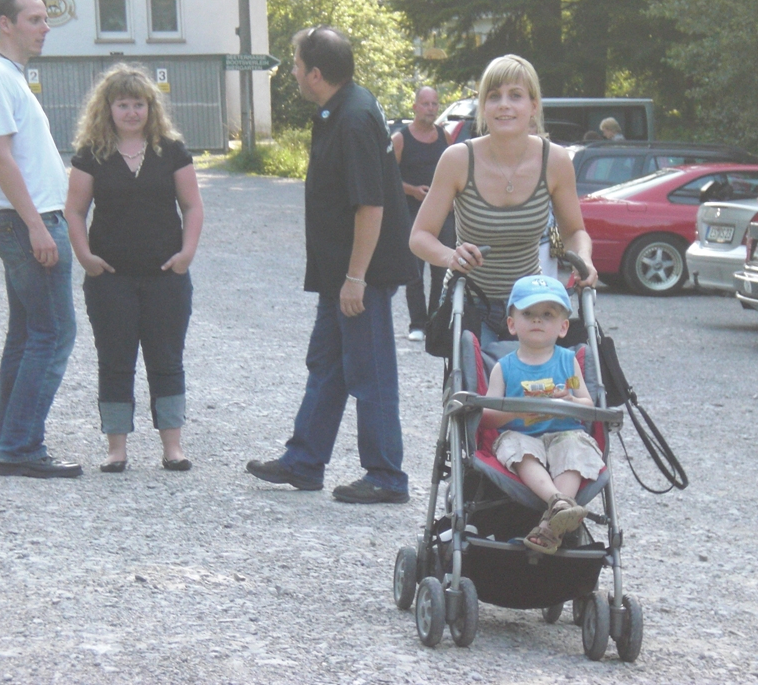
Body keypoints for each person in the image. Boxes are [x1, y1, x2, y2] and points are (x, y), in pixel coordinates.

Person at [246, 26, 416, 504]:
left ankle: (386, 475)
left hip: (360, 276)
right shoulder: (341, 107)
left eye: (297, 65)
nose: (293, 72)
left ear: (316, 74)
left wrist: (356, 279)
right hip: (339, 274)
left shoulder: (354, 118)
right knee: (327, 365)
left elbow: (371, 206)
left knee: (370, 372)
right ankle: (304, 461)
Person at [64, 64, 203, 473]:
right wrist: (85, 257)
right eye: (122, 104)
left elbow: (192, 205)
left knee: (167, 360)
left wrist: (187, 254)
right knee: (115, 361)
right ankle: (116, 449)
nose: (131, 112)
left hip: (166, 275)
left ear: (150, 107)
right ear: (107, 108)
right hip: (110, 278)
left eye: (138, 104)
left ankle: (173, 448)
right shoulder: (91, 154)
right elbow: (74, 210)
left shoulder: (171, 150)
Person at [409, 54, 596, 346]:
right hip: (469, 302)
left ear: (534, 106)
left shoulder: (554, 161)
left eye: (516, 95)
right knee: (475, 372)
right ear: (483, 106)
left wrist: (583, 259)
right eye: (494, 96)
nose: (504, 104)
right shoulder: (458, 159)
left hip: (529, 304)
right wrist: (451, 257)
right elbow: (420, 236)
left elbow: (574, 231)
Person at [0, 0, 80, 478]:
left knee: (27, 334)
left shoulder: (9, 76)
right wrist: (37, 225)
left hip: (26, 219)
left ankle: (10, 440)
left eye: (45, 19)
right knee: (53, 333)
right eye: (34, 19)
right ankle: (20, 447)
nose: (45, 27)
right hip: (25, 221)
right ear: (5, 24)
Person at [484, 275, 598, 555]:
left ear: (563, 327)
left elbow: (587, 403)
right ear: (512, 324)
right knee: (515, 447)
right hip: (522, 434)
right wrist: (516, 409)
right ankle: (558, 502)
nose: (537, 320)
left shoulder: (568, 363)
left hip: (564, 433)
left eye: (547, 314)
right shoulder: (504, 368)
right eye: (528, 313)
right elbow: (486, 417)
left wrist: (571, 400)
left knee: (576, 448)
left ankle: (551, 523)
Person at [392, 86, 454, 341]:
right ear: (415, 106)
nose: (430, 109)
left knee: (442, 268)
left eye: (434, 104)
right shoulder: (400, 139)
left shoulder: (445, 137)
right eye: (426, 104)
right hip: (412, 211)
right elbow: (387, 178)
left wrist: (453, 198)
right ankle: (417, 324)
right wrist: (412, 190)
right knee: (414, 270)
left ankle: (435, 323)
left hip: (442, 212)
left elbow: (456, 173)